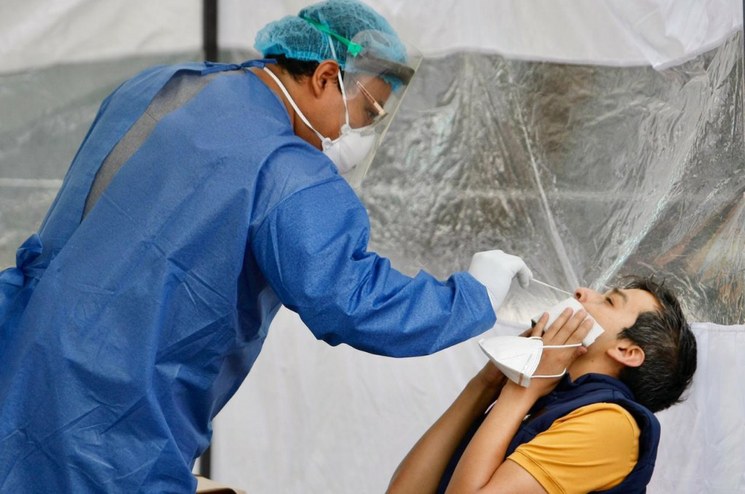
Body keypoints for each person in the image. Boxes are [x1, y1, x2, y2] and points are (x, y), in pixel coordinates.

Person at [0, 1, 532, 492]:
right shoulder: (286, 170)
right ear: (325, 76)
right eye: (368, 113)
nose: (362, 134)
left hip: (21, 359)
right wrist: (474, 295)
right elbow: (352, 301)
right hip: (113, 423)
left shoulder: (162, 86)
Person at [387, 276, 697, 494]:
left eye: (609, 301)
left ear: (626, 351)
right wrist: (485, 385)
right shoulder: (548, 398)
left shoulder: (612, 426)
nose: (582, 292)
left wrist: (522, 389)